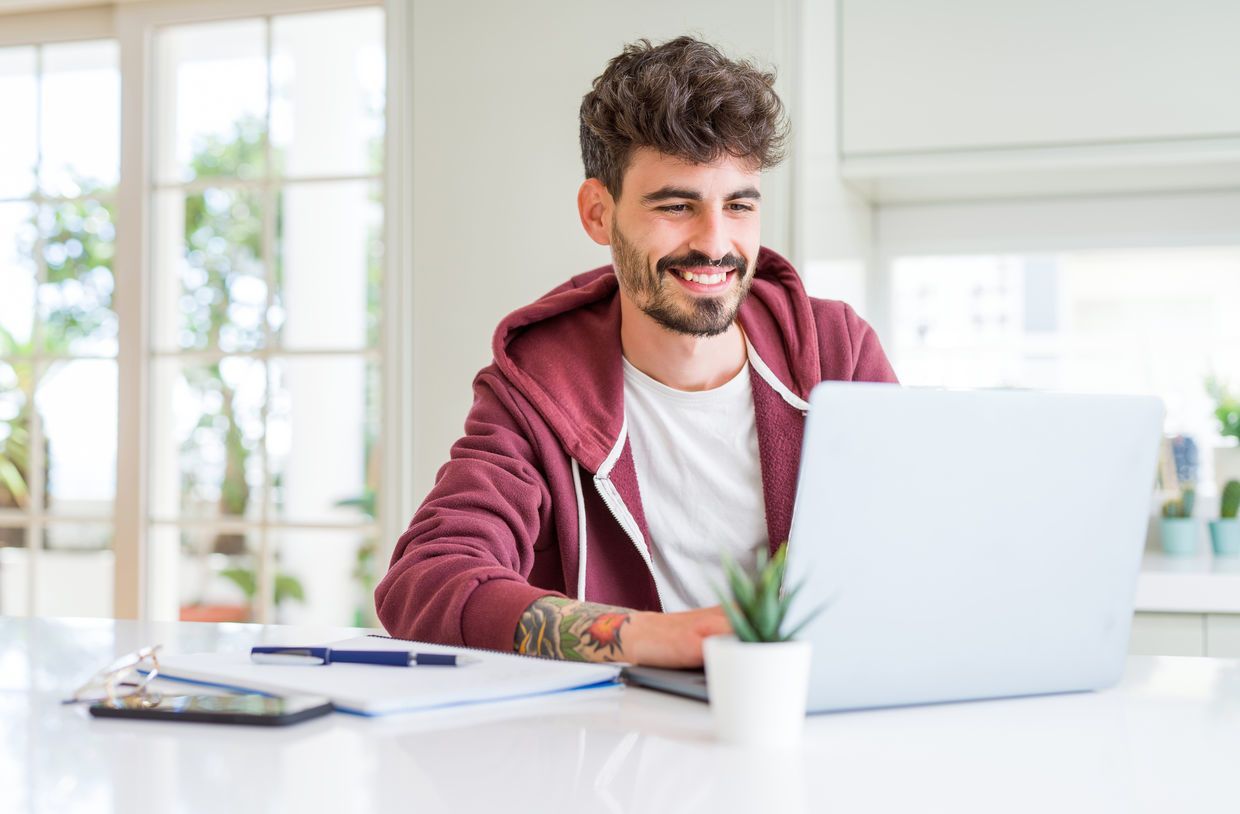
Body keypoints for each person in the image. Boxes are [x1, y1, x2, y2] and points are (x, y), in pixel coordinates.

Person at [375, 36, 898, 667]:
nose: (716, 243)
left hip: (808, 726)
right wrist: (655, 639)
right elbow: (426, 581)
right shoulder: (536, 387)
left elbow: (917, 549)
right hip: (611, 746)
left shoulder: (836, 355)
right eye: (676, 206)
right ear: (599, 213)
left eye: (738, 206)